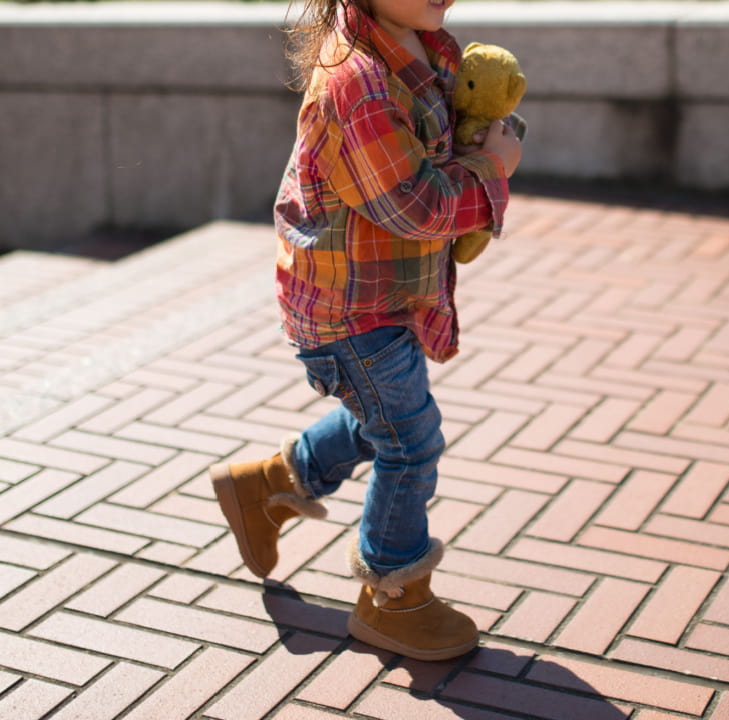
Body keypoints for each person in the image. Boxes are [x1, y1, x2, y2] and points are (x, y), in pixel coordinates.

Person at [209, 0, 522, 662]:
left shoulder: (421, 47)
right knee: (410, 441)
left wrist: (474, 142)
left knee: (385, 419)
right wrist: (492, 171)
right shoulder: (357, 80)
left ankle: (267, 483)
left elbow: (429, 163)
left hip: (379, 296)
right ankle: (393, 596)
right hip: (345, 310)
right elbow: (414, 204)